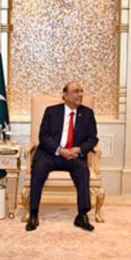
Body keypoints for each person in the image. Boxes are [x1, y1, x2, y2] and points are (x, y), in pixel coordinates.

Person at [27, 82, 98, 232]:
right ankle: (33, 213)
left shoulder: (87, 113)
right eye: (76, 91)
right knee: (38, 168)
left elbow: (93, 139)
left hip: (74, 155)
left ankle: (82, 215)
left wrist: (79, 149)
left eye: (81, 91)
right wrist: (60, 150)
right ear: (65, 96)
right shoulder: (52, 111)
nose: (80, 94)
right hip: (51, 154)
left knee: (83, 170)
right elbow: (43, 136)